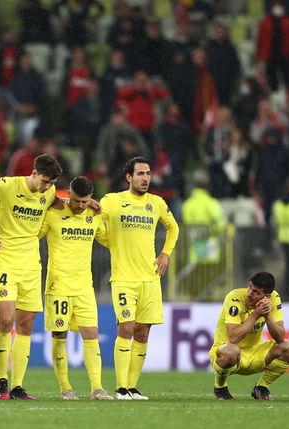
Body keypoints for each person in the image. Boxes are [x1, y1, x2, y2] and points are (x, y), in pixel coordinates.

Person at [0, 154, 63, 400]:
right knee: (6, 320)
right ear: (34, 173)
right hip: (5, 262)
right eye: (45, 181)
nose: (47, 186)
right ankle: (0, 380)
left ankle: (17, 386)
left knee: (25, 325)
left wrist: (89, 203)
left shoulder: (50, 192)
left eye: (51, 183)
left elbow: (63, 202)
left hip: (32, 266)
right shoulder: (7, 185)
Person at [100, 157, 179, 400]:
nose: (145, 178)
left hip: (150, 278)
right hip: (124, 278)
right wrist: (112, 243)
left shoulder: (156, 203)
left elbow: (173, 228)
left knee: (143, 332)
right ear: (128, 177)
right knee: (126, 328)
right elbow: (93, 223)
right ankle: (120, 387)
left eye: (148, 173)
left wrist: (165, 253)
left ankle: (132, 388)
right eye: (140, 174)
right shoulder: (113, 201)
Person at [37, 176, 113, 401]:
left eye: (85, 201)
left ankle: (97, 388)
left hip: (84, 287)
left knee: (91, 334)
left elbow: (109, 240)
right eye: (78, 201)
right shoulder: (52, 213)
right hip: (58, 285)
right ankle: (65, 388)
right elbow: (32, 234)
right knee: (59, 335)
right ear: (68, 194)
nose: (81, 206)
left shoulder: (94, 215)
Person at [209, 272, 289, 400]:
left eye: (256, 292)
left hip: (254, 353)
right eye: (250, 287)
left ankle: (261, 387)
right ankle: (220, 387)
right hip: (226, 353)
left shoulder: (274, 298)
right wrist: (256, 314)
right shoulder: (235, 298)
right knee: (231, 350)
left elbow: (280, 338)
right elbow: (233, 338)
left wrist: (267, 315)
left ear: (266, 296)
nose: (250, 293)